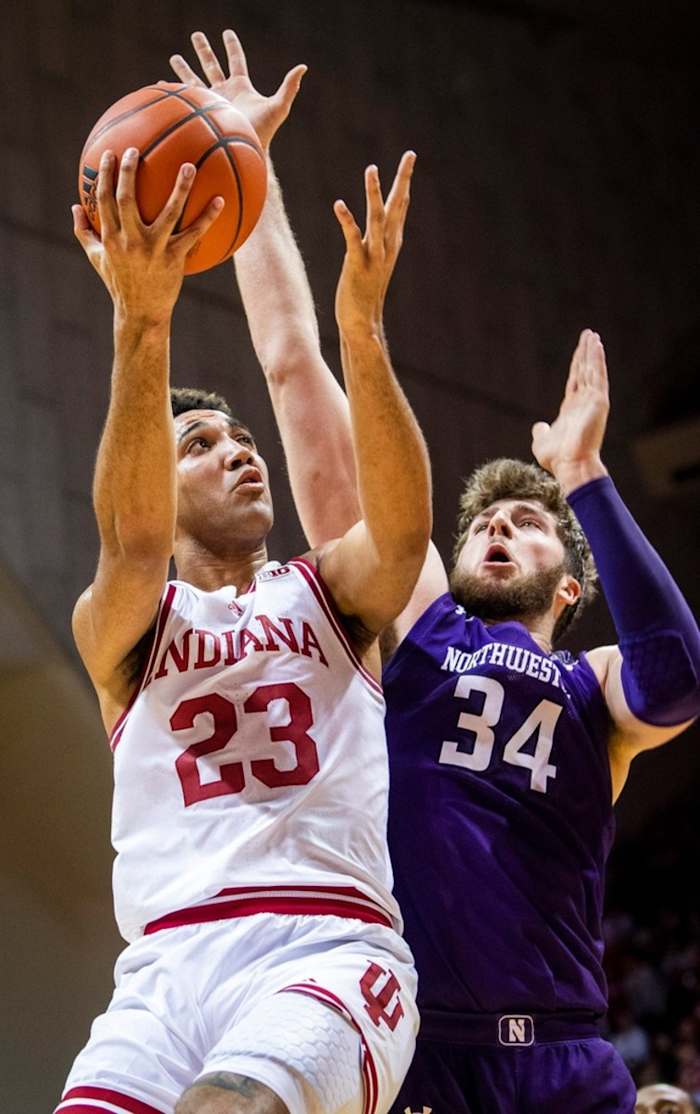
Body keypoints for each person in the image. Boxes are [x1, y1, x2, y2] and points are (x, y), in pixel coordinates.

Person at [241, 140, 700, 1114]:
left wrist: (582, 478)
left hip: (567, 1057)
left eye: (524, 521)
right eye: (482, 519)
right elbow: (298, 385)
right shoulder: (416, 624)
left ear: (568, 589)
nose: (495, 523)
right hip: (426, 1050)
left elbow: (679, 679)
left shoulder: (596, 688)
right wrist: (251, 174)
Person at [54, 31, 432, 1114]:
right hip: (164, 972)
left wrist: (361, 329)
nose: (238, 448)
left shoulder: (327, 592)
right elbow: (125, 540)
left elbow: (402, 536)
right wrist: (143, 311)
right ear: (158, 489)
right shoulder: (125, 623)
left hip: (325, 947)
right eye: (202, 444)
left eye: (239, 436)